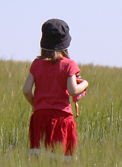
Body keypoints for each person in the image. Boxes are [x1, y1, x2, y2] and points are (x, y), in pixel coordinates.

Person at [23, 19, 89, 160]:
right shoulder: (69, 64)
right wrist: (85, 83)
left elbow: (26, 90)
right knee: (63, 160)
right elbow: (73, 90)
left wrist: (37, 104)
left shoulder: (36, 64)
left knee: (39, 160)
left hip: (39, 118)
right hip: (62, 120)